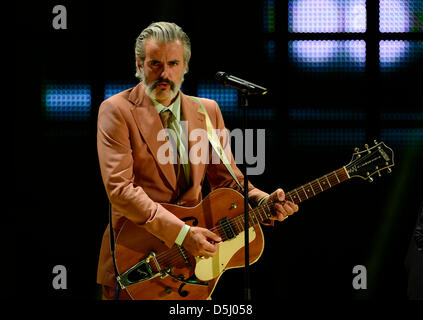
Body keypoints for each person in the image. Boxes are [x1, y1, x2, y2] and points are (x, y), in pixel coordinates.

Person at [96, 21, 299, 300]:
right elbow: (120, 190)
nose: (164, 73)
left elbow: (228, 180)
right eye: (155, 64)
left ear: (186, 65)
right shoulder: (116, 110)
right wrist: (181, 234)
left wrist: (261, 200)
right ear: (139, 64)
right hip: (137, 258)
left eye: (173, 63)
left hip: (191, 266)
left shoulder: (207, 111)